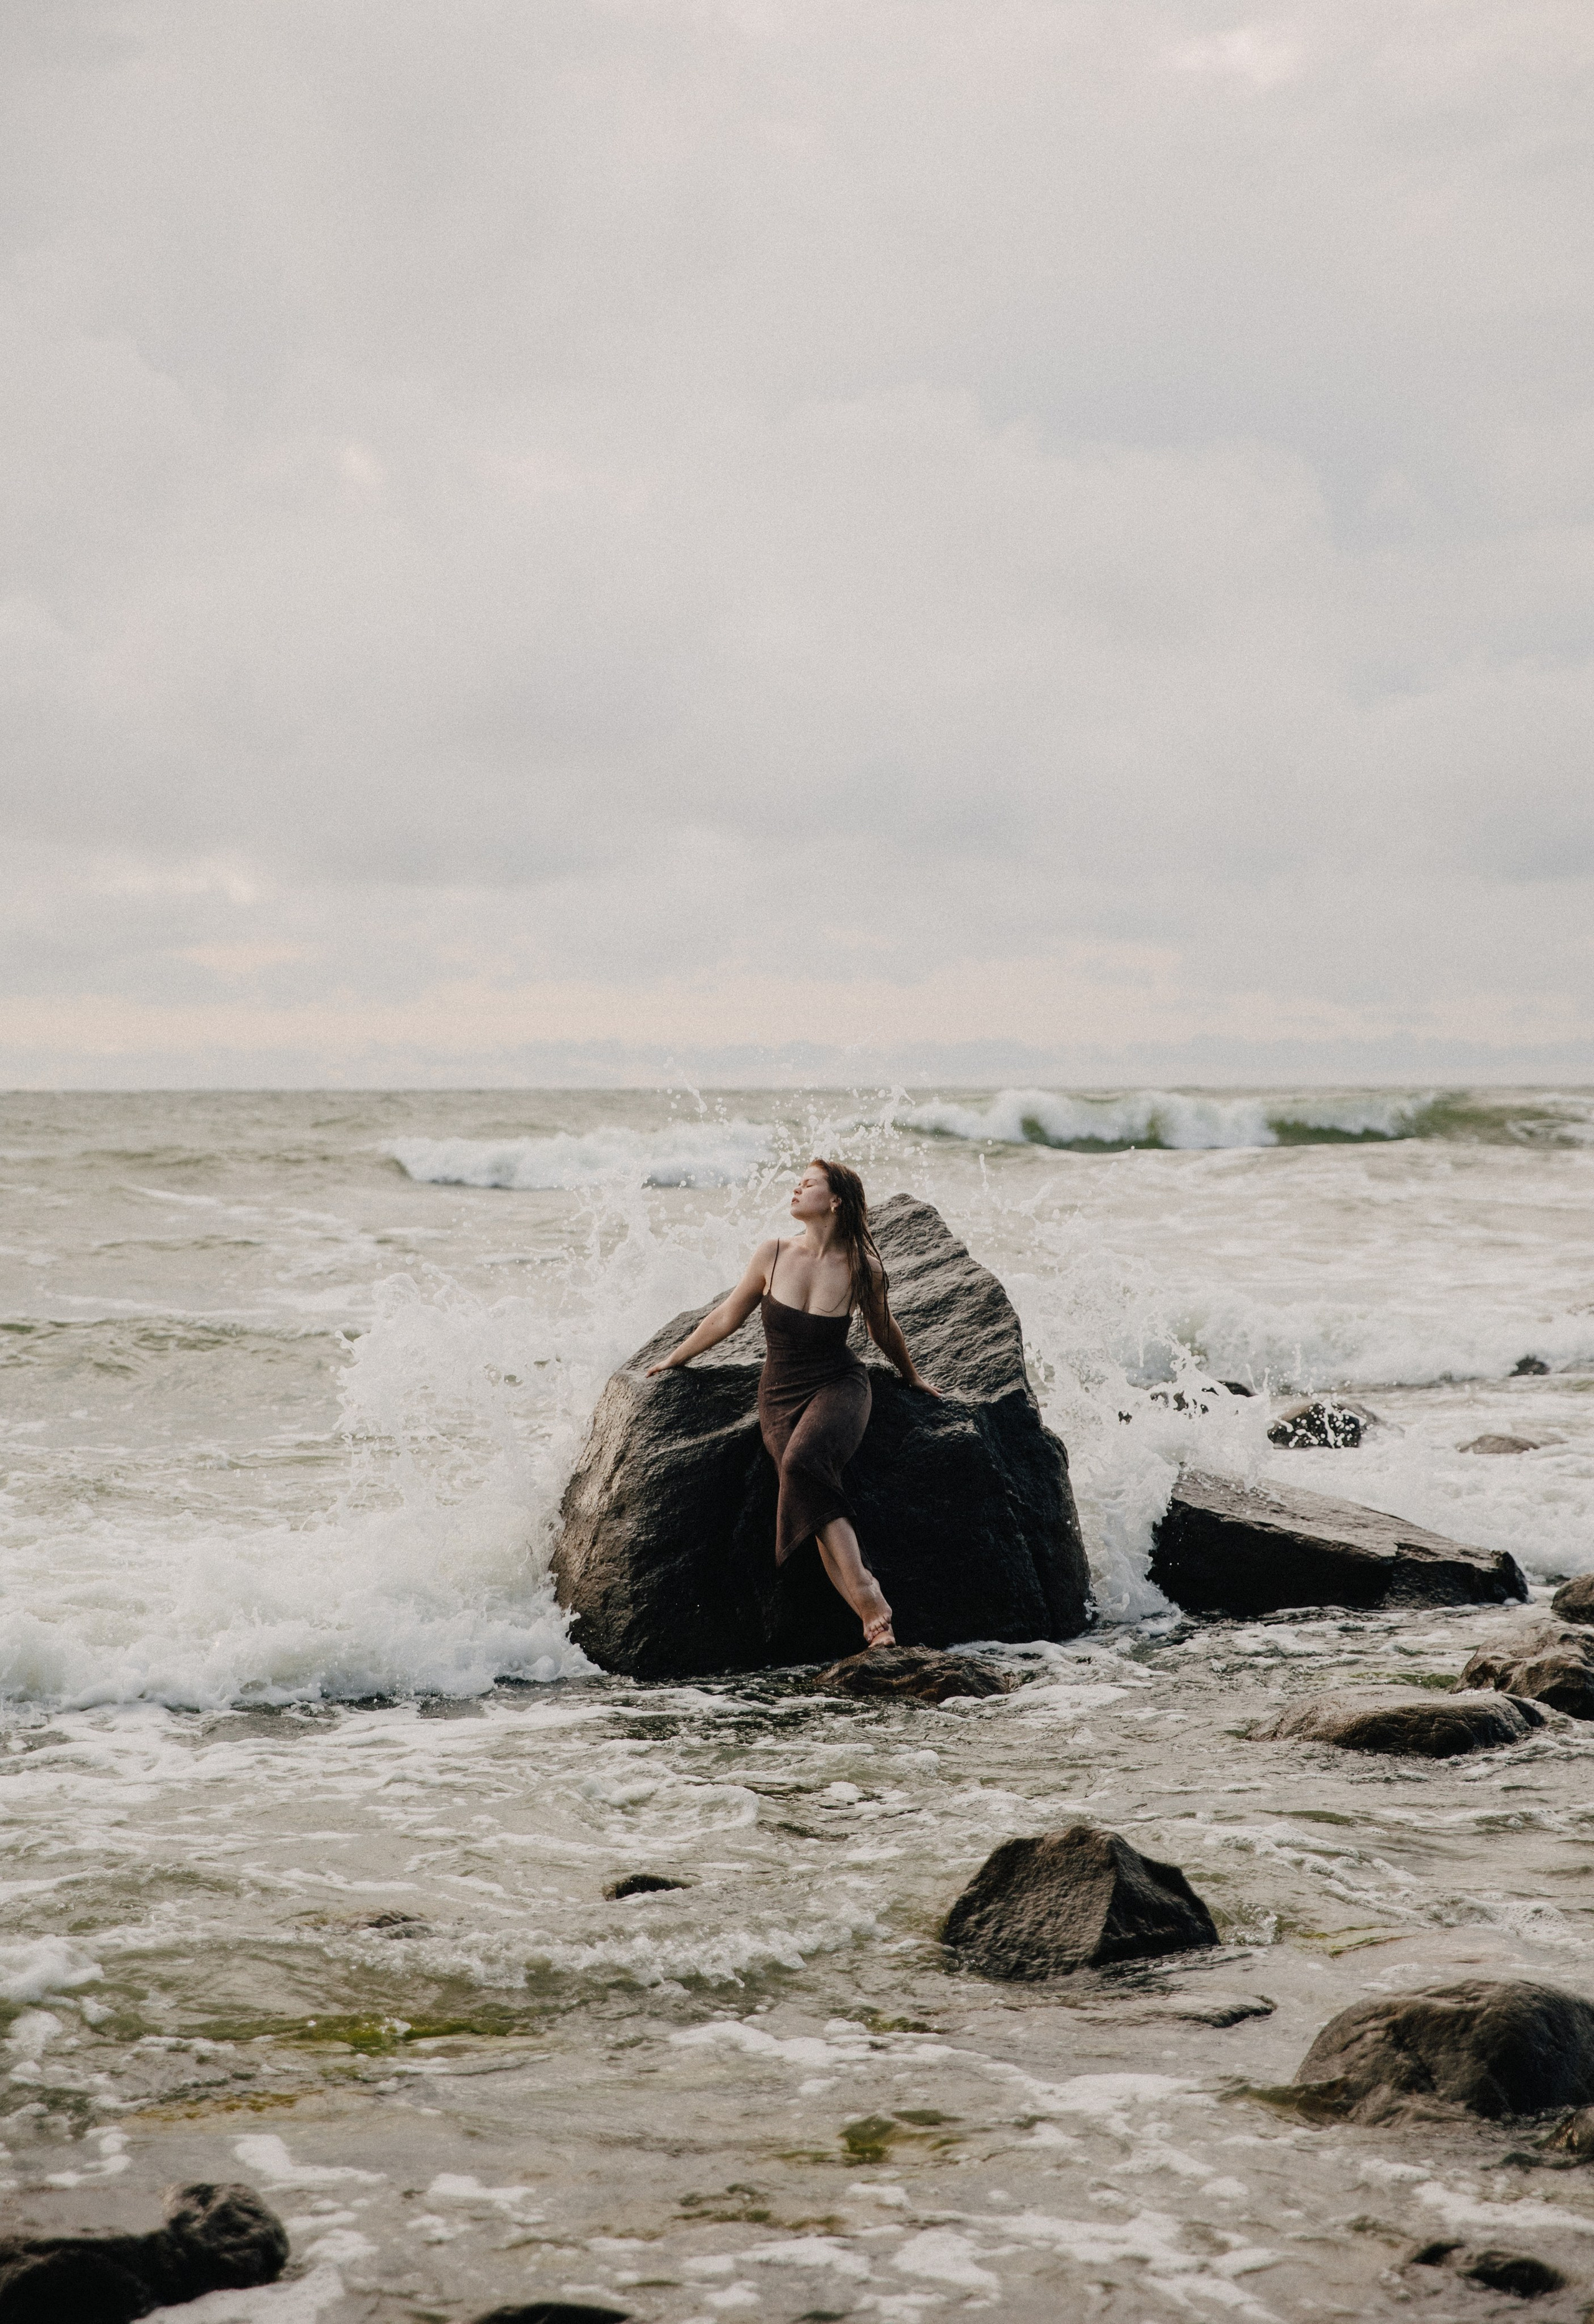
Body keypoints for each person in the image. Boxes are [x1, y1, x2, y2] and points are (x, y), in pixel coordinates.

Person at [646, 1158, 937, 1647]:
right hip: (780, 1395)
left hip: (840, 1384)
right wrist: (675, 1358)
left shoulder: (864, 1268)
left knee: (803, 1463)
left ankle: (868, 1595)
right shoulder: (774, 1253)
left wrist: (913, 1377)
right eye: (798, 1181)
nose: (797, 1187)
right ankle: (872, 1623)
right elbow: (726, 1317)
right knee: (807, 1487)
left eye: (810, 1183)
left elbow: (882, 1329)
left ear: (837, 1199)